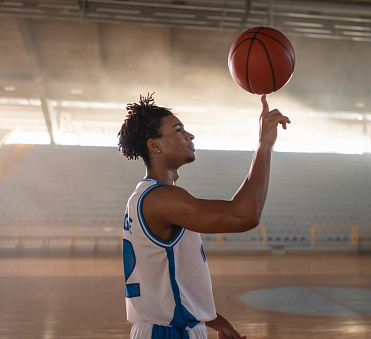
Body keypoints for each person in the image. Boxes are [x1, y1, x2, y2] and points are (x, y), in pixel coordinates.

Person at [117, 93, 290, 339]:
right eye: (178, 130)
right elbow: (245, 215)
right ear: (155, 145)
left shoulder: (147, 195)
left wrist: (214, 320)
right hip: (168, 333)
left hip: (167, 328)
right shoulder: (161, 199)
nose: (189, 135)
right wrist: (264, 143)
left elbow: (167, 283)